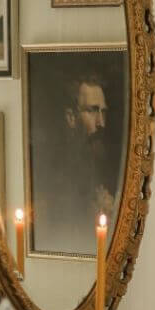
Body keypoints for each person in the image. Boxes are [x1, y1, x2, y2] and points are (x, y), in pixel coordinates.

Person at [32, 72, 118, 255]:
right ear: (71, 117)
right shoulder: (53, 170)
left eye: (104, 112)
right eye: (92, 111)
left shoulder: (102, 160)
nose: (101, 122)